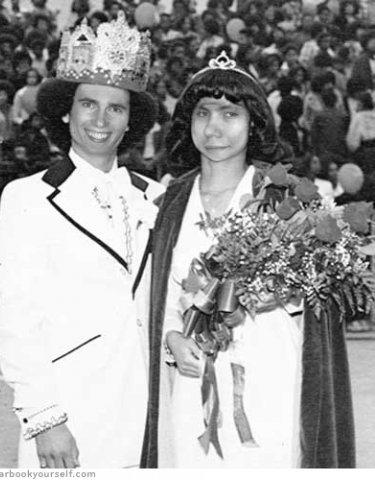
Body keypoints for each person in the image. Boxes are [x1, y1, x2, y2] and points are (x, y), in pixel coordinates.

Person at [141, 51, 355, 468]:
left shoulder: (282, 199)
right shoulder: (169, 202)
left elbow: (317, 301)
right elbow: (161, 296)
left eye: (230, 114)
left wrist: (276, 295)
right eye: (203, 113)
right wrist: (172, 339)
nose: (214, 127)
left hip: (270, 370)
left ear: (254, 122)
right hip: (193, 375)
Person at [0, 12, 164, 469]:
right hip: (72, 414)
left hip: (151, 414)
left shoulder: (156, 198)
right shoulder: (27, 197)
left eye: (116, 108)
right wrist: (43, 418)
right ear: (66, 111)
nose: (101, 119)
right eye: (89, 104)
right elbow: (16, 317)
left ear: (131, 121)